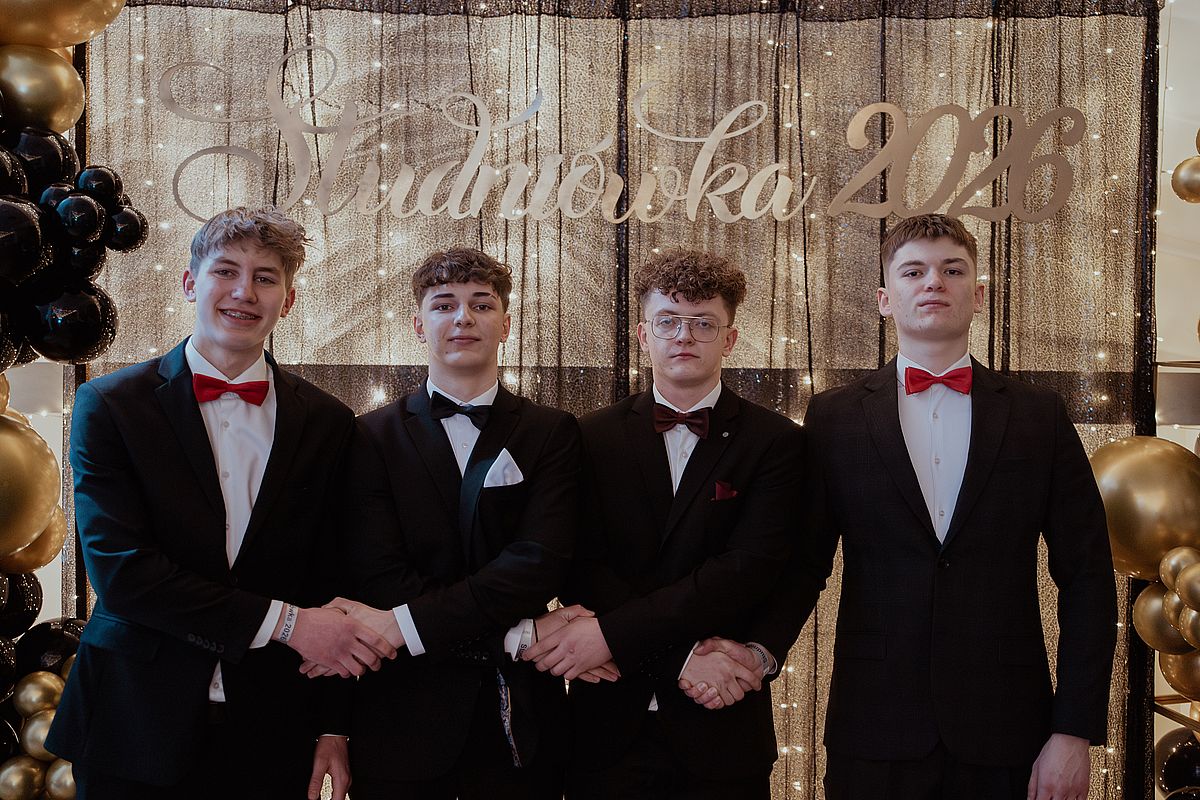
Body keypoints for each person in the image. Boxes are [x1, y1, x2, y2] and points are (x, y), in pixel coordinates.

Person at [692, 213, 1117, 800]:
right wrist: (758, 651)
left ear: (979, 295)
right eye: (913, 271)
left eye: (952, 270)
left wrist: (1073, 730)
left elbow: (1087, 575)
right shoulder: (834, 416)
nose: (934, 282)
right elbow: (804, 564)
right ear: (885, 299)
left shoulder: (1038, 415)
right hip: (874, 725)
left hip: (1010, 726)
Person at [46, 207, 397, 800]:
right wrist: (288, 623)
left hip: (273, 724)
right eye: (226, 271)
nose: (244, 292)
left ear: (288, 300)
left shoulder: (329, 421)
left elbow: (334, 582)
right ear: (190, 283)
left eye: (265, 278)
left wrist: (333, 726)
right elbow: (123, 574)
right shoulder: (110, 404)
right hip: (133, 720)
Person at [523, 247, 804, 799]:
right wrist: (677, 659)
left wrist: (622, 636)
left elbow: (747, 570)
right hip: (605, 726)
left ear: (729, 338)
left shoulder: (778, 443)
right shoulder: (588, 436)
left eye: (703, 323)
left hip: (722, 724)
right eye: (668, 321)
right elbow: (579, 564)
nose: (684, 336)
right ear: (642, 334)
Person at [327, 247, 582, 799]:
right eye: (444, 305)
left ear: (506, 325)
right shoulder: (368, 435)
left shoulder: (553, 432)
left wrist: (405, 624)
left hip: (520, 727)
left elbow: (539, 563)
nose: (463, 317)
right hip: (400, 719)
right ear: (419, 325)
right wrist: (516, 635)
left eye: (481, 305)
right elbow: (377, 573)